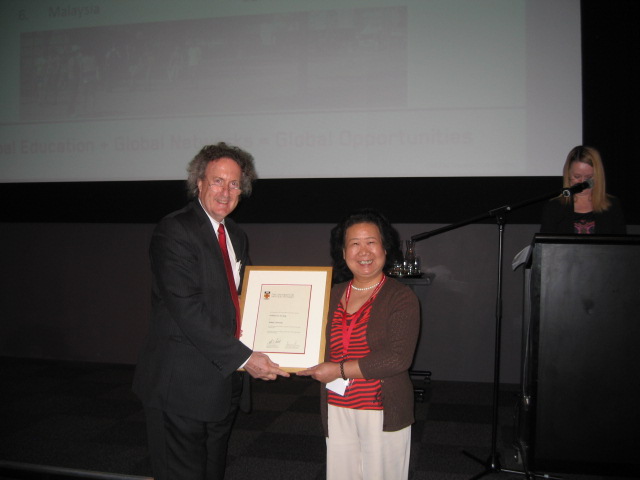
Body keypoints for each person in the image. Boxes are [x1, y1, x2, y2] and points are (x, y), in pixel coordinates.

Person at [132, 142, 289, 480]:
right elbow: (186, 308)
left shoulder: (235, 234)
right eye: (218, 181)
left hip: (223, 383)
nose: (226, 191)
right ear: (199, 183)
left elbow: (248, 298)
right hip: (181, 386)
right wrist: (245, 358)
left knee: (211, 472)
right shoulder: (175, 230)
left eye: (234, 184)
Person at [297, 209, 420, 480]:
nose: (363, 251)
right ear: (343, 253)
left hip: (382, 409)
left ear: (385, 248)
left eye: (371, 242)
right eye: (354, 243)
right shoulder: (331, 294)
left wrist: (338, 370)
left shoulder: (401, 297)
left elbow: (397, 358)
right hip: (337, 404)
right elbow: (307, 337)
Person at [540, 145, 626, 234]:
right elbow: (546, 241)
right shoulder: (554, 207)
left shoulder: (612, 205)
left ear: (597, 176)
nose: (582, 182)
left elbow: (621, 241)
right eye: (577, 176)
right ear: (568, 174)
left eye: (589, 177)